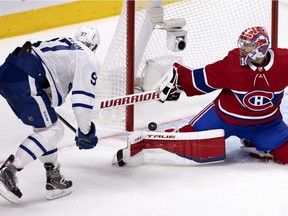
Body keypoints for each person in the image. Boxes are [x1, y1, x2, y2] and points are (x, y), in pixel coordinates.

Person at [157, 26, 288, 164]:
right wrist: (179, 82)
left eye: (248, 45)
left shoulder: (284, 62)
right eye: (242, 44)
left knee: (286, 155)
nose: (243, 48)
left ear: (260, 47)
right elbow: (205, 78)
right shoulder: (233, 63)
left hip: (266, 124)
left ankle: (255, 142)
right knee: (188, 145)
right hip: (223, 118)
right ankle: (168, 136)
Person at [0, 26, 100, 203]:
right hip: (26, 77)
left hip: (9, 71)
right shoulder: (87, 57)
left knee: (46, 128)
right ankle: (9, 171)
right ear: (94, 47)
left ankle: (53, 177)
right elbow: (82, 103)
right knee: (54, 130)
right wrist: (86, 131)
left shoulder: (66, 45)